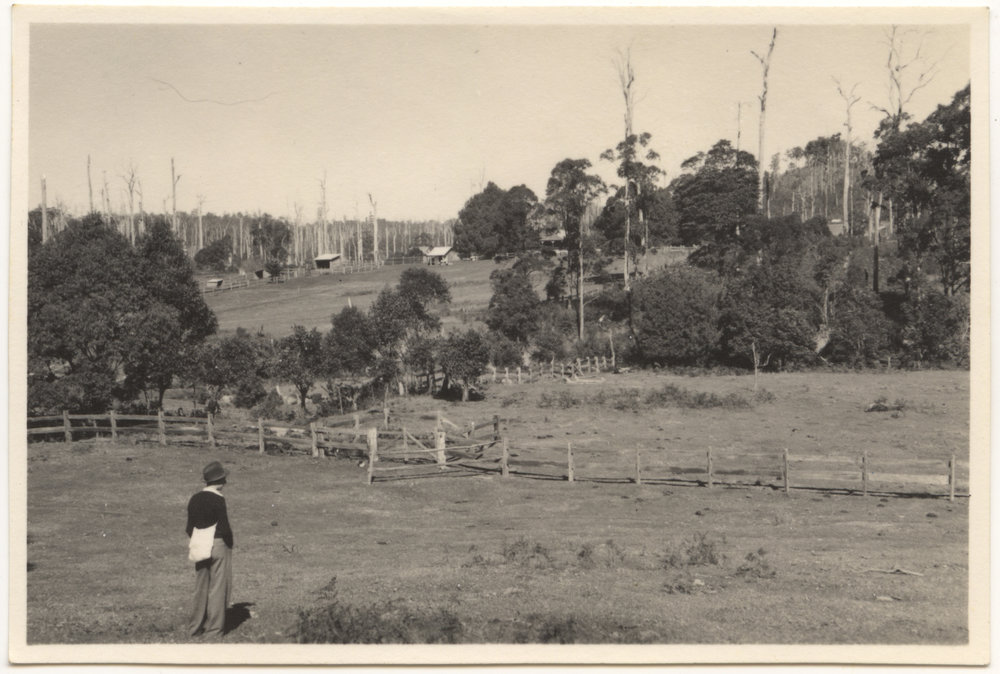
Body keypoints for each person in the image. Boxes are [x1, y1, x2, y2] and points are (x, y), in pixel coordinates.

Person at [186, 460, 234, 639]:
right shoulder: (218, 499)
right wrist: (229, 542)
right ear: (221, 480)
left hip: (199, 543)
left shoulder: (195, 498)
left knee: (200, 586)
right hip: (218, 543)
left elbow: (189, 527)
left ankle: (195, 627)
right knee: (218, 587)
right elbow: (224, 526)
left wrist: (198, 539)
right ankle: (214, 630)